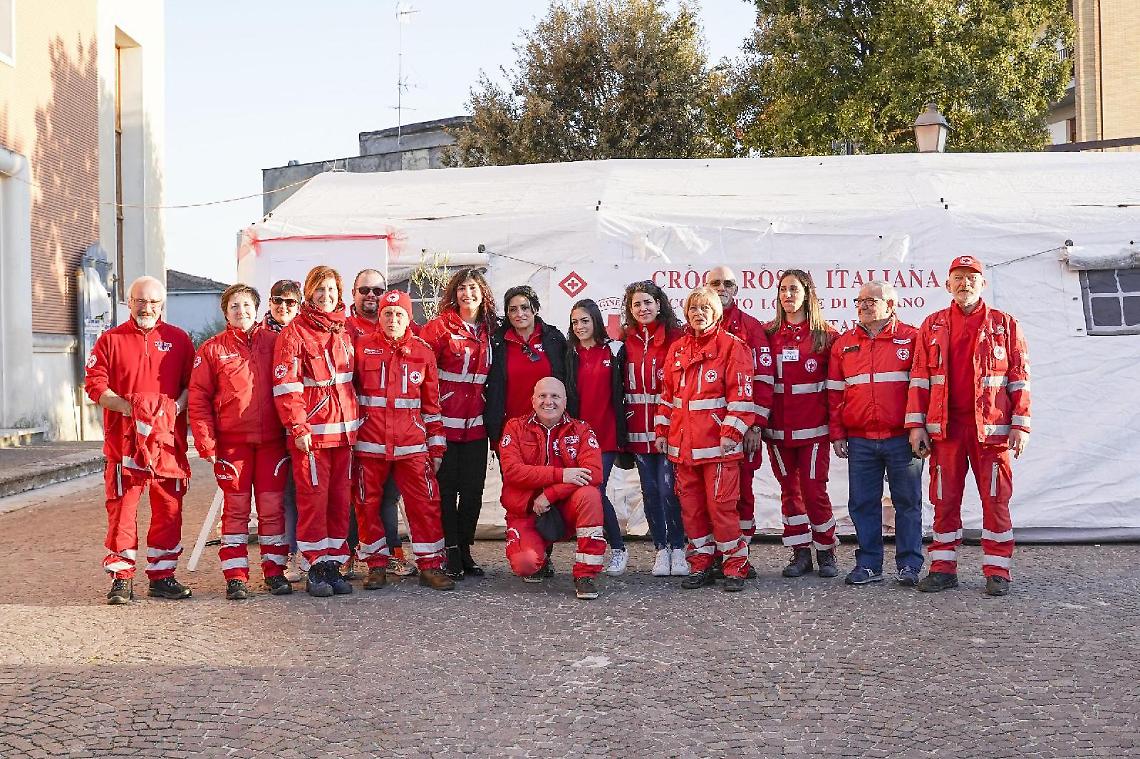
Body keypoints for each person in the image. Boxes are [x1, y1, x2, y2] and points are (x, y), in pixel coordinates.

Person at [906, 255, 1031, 597]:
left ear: (983, 284)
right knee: (944, 500)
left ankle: (997, 570)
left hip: (991, 433)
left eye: (972, 278)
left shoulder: (1005, 325)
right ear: (948, 284)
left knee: (996, 500)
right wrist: (916, 426)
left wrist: (1020, 426)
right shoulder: (931, 325)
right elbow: (919, 379)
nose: (965, 283)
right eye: (958, 278)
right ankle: (943, 568)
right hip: (945, 432)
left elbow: (1019, 379)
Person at [84, 275, 194, 604]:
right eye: (140, 300)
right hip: (124, 444)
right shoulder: (109, 340)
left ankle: (163, 576)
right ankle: (121, 577)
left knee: (168, 510)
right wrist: (132, 410)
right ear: (129, 302)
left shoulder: (179, 340)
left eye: (154, 302)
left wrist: (174, 408)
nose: (147, 307)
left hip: (167, 445)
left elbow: (193, 385)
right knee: (122, 511)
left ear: (163, 305)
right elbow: (94, 386)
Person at [188, 284, 291, 599]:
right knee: (235, 511)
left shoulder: (276, 343)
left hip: (272, 442)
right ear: (225, 312)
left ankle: (275, 572)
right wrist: (205, 441)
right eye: (234, 306)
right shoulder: (212, 349)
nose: (241, 311)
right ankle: (236, 576)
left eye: (247, 305)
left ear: (257, 309)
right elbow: (198, 398)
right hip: (233, 445)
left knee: (273, 510)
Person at [351, 290, 454, 591]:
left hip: (412, 446)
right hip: (369, 444)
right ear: (379, 316)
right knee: (367, 504)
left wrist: (436, 446)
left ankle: (431, 565)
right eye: (387, 314)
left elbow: (432, 406)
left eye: (399, 314)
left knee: (425, 504)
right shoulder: (361, 348)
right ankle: (376, 566)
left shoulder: (423, 351)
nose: (392, 319)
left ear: (409, 318)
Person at [655, 287, 757, 592]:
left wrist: (731, 433)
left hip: (718, 448)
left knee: (722, 509)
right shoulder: (678, 349)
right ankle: (701, 564)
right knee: (692, 510)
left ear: (717, 312)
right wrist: (661, 432)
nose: (699, 314)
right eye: (693, 309)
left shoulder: (732, 347)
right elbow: (667, 397)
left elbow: (741, 397)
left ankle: (735, 566)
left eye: (705, 309)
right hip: (683, 449)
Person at [827, 280, 924, 587]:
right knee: (862, 503)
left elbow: (923, 389)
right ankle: (869, 564)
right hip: (860, 440)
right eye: (860, 300)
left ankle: (909, 564)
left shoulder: (912, 338)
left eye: (872, 299)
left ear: (891, 305)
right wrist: (837, 433)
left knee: (907, 502)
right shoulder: (843, 344)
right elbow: (834, 394)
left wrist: (918, 428)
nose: (864, 304)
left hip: (902, 438)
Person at [272, 265, 361, 598]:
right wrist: (298, 425)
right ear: (309, 293)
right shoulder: (294, 332)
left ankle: (334, 565)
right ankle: (314, 567)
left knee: (340, 502)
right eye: (320, 290)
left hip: (345, 432)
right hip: (313, 434)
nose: (327, 296)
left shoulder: (344, 329)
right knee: (313, 502)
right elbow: (286, 386)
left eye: (332, 290)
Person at [420, 267, 497, 581]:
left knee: (473, 492)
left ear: (482, 293)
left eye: (473, 288)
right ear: (454, 294)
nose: (468, 294)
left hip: (477, 425)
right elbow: (422, 374)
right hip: (445, 424)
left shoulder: (490, 329)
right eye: (462, 288)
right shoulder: (439, 327)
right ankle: (449, 550)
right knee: (446, 491)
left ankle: (465, 548)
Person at [498, 377, 607, 600]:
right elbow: (512, 471)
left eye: (555, 396)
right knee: (525, 565)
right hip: (526, 511)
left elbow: (594, 472)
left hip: (565, 510)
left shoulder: (581, 430)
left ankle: (585, 575)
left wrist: (551, 494)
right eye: (543, 396)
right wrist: (562, 474)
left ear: (565, 401)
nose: (549, 402)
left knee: (590, 494)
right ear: (533, 400)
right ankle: (542, 558)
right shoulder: (515, 427)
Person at [765, 269, 840, 579]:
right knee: (789, 492)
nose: (788, 295)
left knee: (813, 491)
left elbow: (836, 390)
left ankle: (826, 551)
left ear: (808, 293)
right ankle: (800, 554)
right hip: (778, 431)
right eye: (783, 289)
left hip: (813, 432)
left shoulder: (826, 336)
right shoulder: (768, 334)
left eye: (794, 289)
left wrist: (836, 431)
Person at [343, 268, 413, 578]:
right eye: (364, 290)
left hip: (395, 433)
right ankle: (347, 552)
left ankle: (391, 552)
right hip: (354, 429)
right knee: (352, 495)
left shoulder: (405, 329)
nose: (371, 295)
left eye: (377, 290)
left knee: (387, 495)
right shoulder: (343, 330)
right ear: (353, 294)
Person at [706, 265, 775, 569]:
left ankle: (740, 556)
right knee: (709, 496)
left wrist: (755, 424)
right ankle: (711, 555)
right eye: (715, 283)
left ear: (737, 289)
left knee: (741, 492)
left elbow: (763, 379)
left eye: (728, 284)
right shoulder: (693, 327)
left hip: (742, 429)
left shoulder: (751, 326)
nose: (721, 288)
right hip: (704, 432)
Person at [620, 280, 688, 577]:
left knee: (669, 489)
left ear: (659, 304)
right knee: (649, 490)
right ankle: (660, 549)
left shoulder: (676, 337)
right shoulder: (624, 340)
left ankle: (679, 547)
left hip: (669, 428)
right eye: (637, 304)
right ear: (630, 310)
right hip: (637, 428)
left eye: (648, 302)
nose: (643, 308)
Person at [565, 298, 629, 575]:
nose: (580, 326)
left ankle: (618, 548)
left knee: (596, 490)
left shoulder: (614, 351)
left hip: (607, 433)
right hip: (578, 437)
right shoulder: (570, 355)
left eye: (585, 320)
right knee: (586, 492)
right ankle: (593, 548)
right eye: (575, 322)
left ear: (596, 321)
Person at [485, 285, 567, 450]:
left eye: (525, 308)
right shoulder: (497, 343)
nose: (519, 314)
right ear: (507, 313)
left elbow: (568, 381)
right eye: (513, 309)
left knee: (549, 476)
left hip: (551, 429)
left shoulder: (554, 339)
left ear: (535, 309)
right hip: (511, 431)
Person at [262, 279, 306, 583]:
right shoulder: (259, 336)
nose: (283, 307)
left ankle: (306, 551)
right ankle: (283, 555)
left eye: (290, 302)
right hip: (269, 428)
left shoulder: (306, 333)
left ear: (299, 305)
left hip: (301, 425)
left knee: (305, 493)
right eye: (278, 300)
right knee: (280, 497)